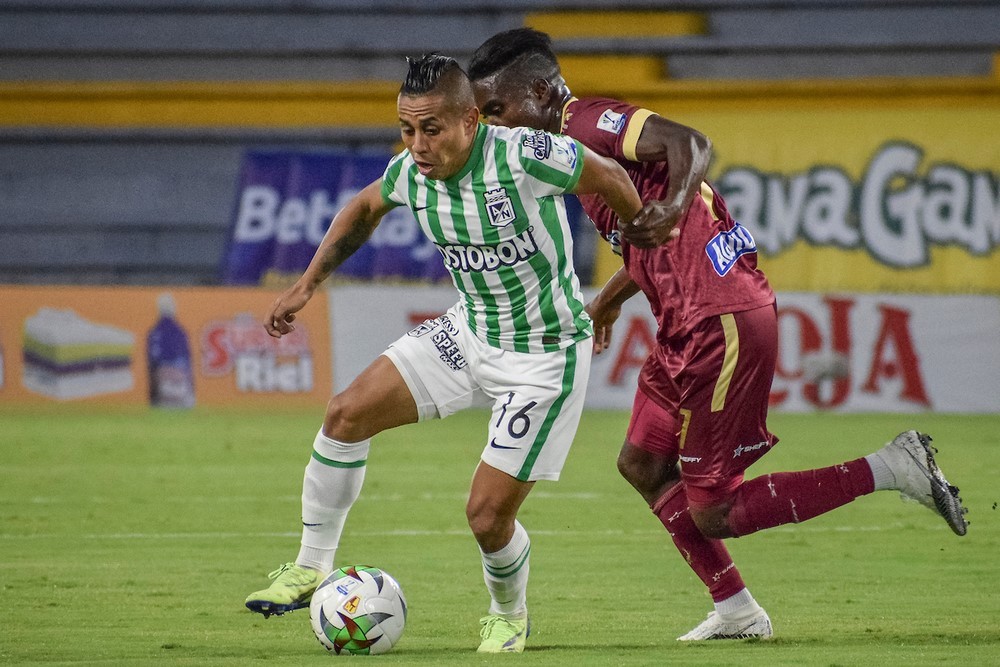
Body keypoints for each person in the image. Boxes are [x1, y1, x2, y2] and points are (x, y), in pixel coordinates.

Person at [468, 28, 969, 641]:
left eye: (497, 109)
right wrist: (605, 302)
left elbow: (690, 142)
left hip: (720, 319)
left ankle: (891, 467)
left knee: (715, 510)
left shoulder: (586, 122)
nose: (493, 125)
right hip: (686, 324)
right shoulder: (572, 159)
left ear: (543, 92)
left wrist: (674, 202)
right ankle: (737, 612)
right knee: (642, 463)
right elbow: (646, 240)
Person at [244, 53, 645, 654]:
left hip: (543, 358)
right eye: (407, 129)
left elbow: (611, 177)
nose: (417, 145)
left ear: (470, 121)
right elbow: (364, 208)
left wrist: (638, 258)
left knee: (486, 517)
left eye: (431, 129)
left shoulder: (523, 155)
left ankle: (508, 614)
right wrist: (306, 285)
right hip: (470, 332)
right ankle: (309, 565)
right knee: (345, 415)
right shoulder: (411, 172)